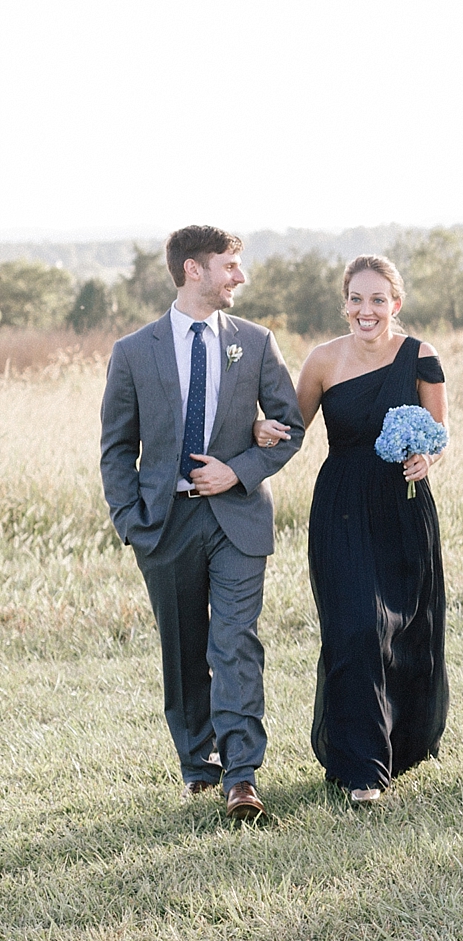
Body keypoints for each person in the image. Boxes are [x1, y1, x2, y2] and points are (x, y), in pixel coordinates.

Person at [98, 225, 305, 822]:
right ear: (194, 270)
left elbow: (288, 425)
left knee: (235, 640)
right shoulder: (134, 351)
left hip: (237, 518)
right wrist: (130, 521)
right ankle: (198, 764)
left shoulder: (256, 341)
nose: (240, 276)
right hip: (163, 524)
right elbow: (117, 447)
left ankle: (242, 776)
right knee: (185, 647)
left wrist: (238, 470)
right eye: (230, 265)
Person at [264, 255, 450, 803]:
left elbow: (442, 433)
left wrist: (427, 460)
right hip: (341, 508)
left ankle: (400, 743)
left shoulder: (422, 355)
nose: (366, 310)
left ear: (395, 304)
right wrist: (258, 428)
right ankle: (362, 768)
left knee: (403, 629)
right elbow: (291, 429)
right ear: (345, 303)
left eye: (378, 300)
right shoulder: (322, 361)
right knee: (355, 630)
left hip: (403, 505)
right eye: (356, 299)